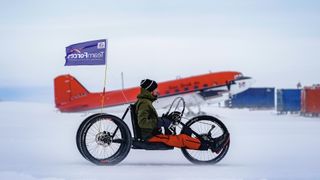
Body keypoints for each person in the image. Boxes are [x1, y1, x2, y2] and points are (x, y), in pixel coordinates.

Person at [135, 78, 229, 152]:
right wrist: (164, 121)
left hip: (154, 134)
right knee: (182, 139)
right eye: (156, 89)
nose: (157, 91)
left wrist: (166, 119)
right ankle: (212, 145)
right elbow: (143, 123)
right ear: (150, 90)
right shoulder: (144, 103)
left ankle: (208, 142)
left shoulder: (146, 102)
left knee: (184, 135)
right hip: (151, 137)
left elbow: (149, 119)